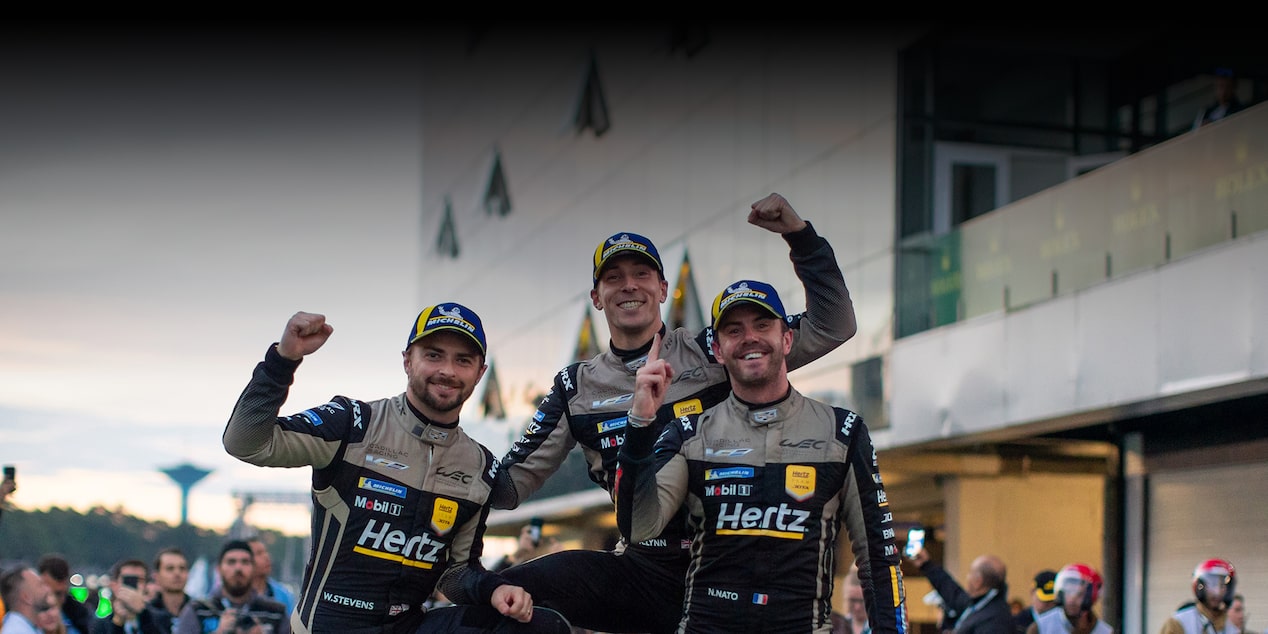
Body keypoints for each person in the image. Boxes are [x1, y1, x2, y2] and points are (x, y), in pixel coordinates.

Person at [483, 193, 857, 633]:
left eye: (642, 273)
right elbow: (505, 487)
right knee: (496, 598)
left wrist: (801, 237)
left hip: (727, 560)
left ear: (663, 289)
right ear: (596, 297)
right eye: (614, 277)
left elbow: (834, 324)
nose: (629, 285)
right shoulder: (576, 386)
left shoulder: (713, 351)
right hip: (645, 568)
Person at [223, 305, 567, 634]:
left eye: (462, 360)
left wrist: (493, 589)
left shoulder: (480, 466)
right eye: (433, 355)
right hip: (330, 626)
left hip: (409, 626)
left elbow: (457, 572)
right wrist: (283, 360)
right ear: (407, 361)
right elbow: (245, 442)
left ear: (479, 372)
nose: (447, 370)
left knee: (542, 626)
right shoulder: (353, 424)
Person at [614, 278, 905, 633]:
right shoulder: (688, 433)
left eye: (762, 325)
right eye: (734, 330)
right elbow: (638, 527)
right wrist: (640, 422)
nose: (750, 337)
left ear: (787, 339)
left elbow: (878, 556)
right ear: (718, 351)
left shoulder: (842, 431)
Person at [174, 540, 289, 634]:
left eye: (245, 562)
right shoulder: (198, 610)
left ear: (254, 568)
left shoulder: (276, 612)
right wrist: (219, 632)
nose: (238, 568)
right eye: (231, 562)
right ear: (219, 569)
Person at [907, 547, 1011, 634]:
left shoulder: (994, 620)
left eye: (971, 573)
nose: (968, 577)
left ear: (978, 581)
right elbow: (951, 591)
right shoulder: (980, 605)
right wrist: (926, 564)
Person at [1027, 563, 1112, 634]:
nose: (1071, 600)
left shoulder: (1105, 632)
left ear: (1091, 595)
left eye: (1079, 594)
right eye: (1067, 592)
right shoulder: (1041, 627)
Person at [1161, 558, 1238, 634]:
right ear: (1199, 586)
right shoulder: (1179, 623)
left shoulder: (1231, 627)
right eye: (1212, 584)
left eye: (1222, 585)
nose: (1217, 592)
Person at [88, 559, 150, 634]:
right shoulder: (100, 625)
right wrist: (118, 622)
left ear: (146, 585)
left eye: (140, 580)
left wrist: (143, 613)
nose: (134, 586)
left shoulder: (160, 619)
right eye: (127, 580)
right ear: (114, 585)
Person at [37, 555, 93, 634]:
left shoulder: (80, 616)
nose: (52, 600)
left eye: (58, 594)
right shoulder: (28, 615)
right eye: (48, 593)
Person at [142, 547, 191, 634]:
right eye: (170, 568)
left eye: (182, 568)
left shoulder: (200, 610)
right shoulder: (147, 613)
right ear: (156, 576)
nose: (177, 573)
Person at [244, 538, 294, 619]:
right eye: (259, 553)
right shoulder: (235, 595)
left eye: (265, 552)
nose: (266, 557)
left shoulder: (283, 594)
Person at [2, 566, 53, 634]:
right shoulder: (16, 631)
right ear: (26, 598)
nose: (48, 590)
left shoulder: (28, 627)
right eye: (40, 585)